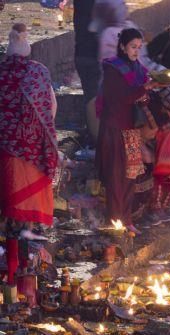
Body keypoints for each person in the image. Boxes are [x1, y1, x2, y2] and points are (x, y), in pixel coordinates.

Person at [0, 24, 58, 303]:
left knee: (9, 216)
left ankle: (11, 278)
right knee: (21, 219)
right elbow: (50, 108)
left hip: (4, 151)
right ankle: (18, 280)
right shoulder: (38, 72)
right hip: (30, 154)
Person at [95, 28, 162, 234]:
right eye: (133, 47)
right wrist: (146, 89)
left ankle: (127, 218)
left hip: (131, 130)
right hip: (115, 128)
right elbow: (120, 100)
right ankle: (116, 221)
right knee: (116, 177)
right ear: (123, 46)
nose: (136, 51)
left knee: (130, 176)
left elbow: (140, 96)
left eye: (139, 48)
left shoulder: (138, 68)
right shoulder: (112, 69)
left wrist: (149, 90)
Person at [74, 0, 100, 109]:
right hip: (94, 55)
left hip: (81, 53)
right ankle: (93, 125)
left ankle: (90, 123)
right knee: (95, 96)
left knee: (89, 94)